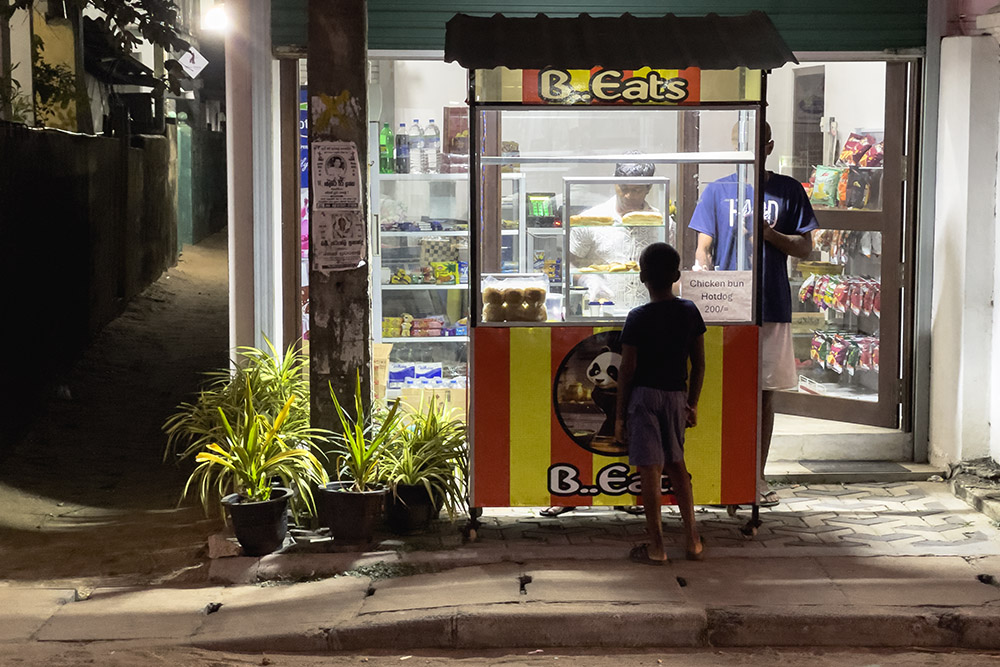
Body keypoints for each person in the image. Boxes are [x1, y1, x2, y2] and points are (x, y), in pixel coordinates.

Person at [688, 122, 818, 507]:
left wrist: (768, 235)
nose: (746, 150)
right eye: (740, 144)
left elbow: (805, 248)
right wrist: (703, 272)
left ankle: (755, 478)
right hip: (725, 308)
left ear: (769, 146)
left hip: (771, 305)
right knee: (719, 391)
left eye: (755, 144)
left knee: (763, 395)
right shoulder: (717, 190)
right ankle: (719, 474)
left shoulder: (789, 190)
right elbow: (702, 247)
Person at [539, 154, 660, 519]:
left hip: (644, 323)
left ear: (649, 188)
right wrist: (590, 279)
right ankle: (569, 490)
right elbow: (568, 263)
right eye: (626, 189)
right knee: (582, 405)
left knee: (636, 406)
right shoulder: (592, 219)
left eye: (639, 190)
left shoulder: (658, 222)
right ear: (615, 184)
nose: (632, 196)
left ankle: (629, 488)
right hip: (595, 324)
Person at [615, 242, 706, 564]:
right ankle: (693, 541)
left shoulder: (637, 317)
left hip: (644, 398)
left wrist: (619, 417)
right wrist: (692, 404)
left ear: (642, 277)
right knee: (678, 466)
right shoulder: (689, 311)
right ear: (676, 276)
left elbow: (627, 371)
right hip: (676, 397)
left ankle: (657, 548)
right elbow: (699, 364)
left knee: (650, 472)